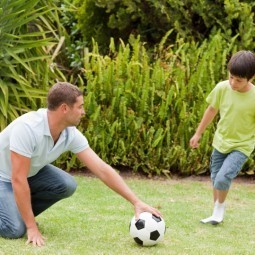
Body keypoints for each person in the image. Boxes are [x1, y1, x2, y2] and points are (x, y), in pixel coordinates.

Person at [0, 82, 161, 246]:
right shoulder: (28, 128)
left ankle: (18, 213)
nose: (83, 112)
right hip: (4, 177)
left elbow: (102, 169)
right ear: (64, 108)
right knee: (14, 229)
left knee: (66, 184)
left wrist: (136, 201)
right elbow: (18, 179)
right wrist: (31, 226)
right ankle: (18, 218)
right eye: (80, 107)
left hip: (27, 174)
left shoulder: (69, 134)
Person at [190, 50, 255, 225]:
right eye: (231, 77)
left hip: (242, 145)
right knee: (216, 178)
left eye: (239, 80)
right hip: (220, 142)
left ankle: (219, 211)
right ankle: (216, 211)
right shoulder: (222, 88)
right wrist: (198, 133)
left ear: (251, 78)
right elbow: (211, 110)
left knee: (222, 178)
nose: (233, 83)